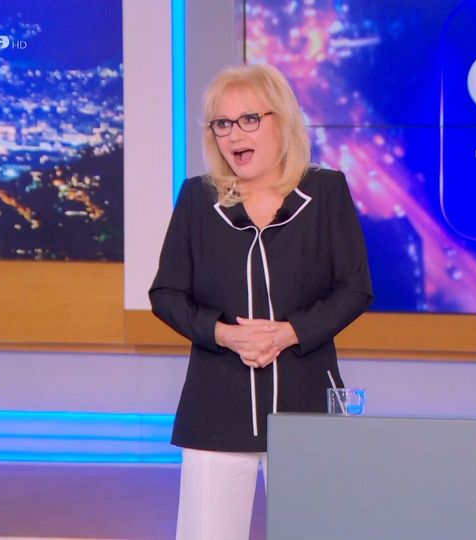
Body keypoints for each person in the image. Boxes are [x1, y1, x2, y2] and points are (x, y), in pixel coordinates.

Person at [149, 63, 373, 540]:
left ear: (282, 121)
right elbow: (166, 294)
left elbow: (355, 288)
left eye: (249, 119)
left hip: (305, 399)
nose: (235, 134)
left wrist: (288, 333)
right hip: (216, 406)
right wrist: (225, 335)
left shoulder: (325, 191)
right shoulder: (197, 198)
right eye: (222, 123)